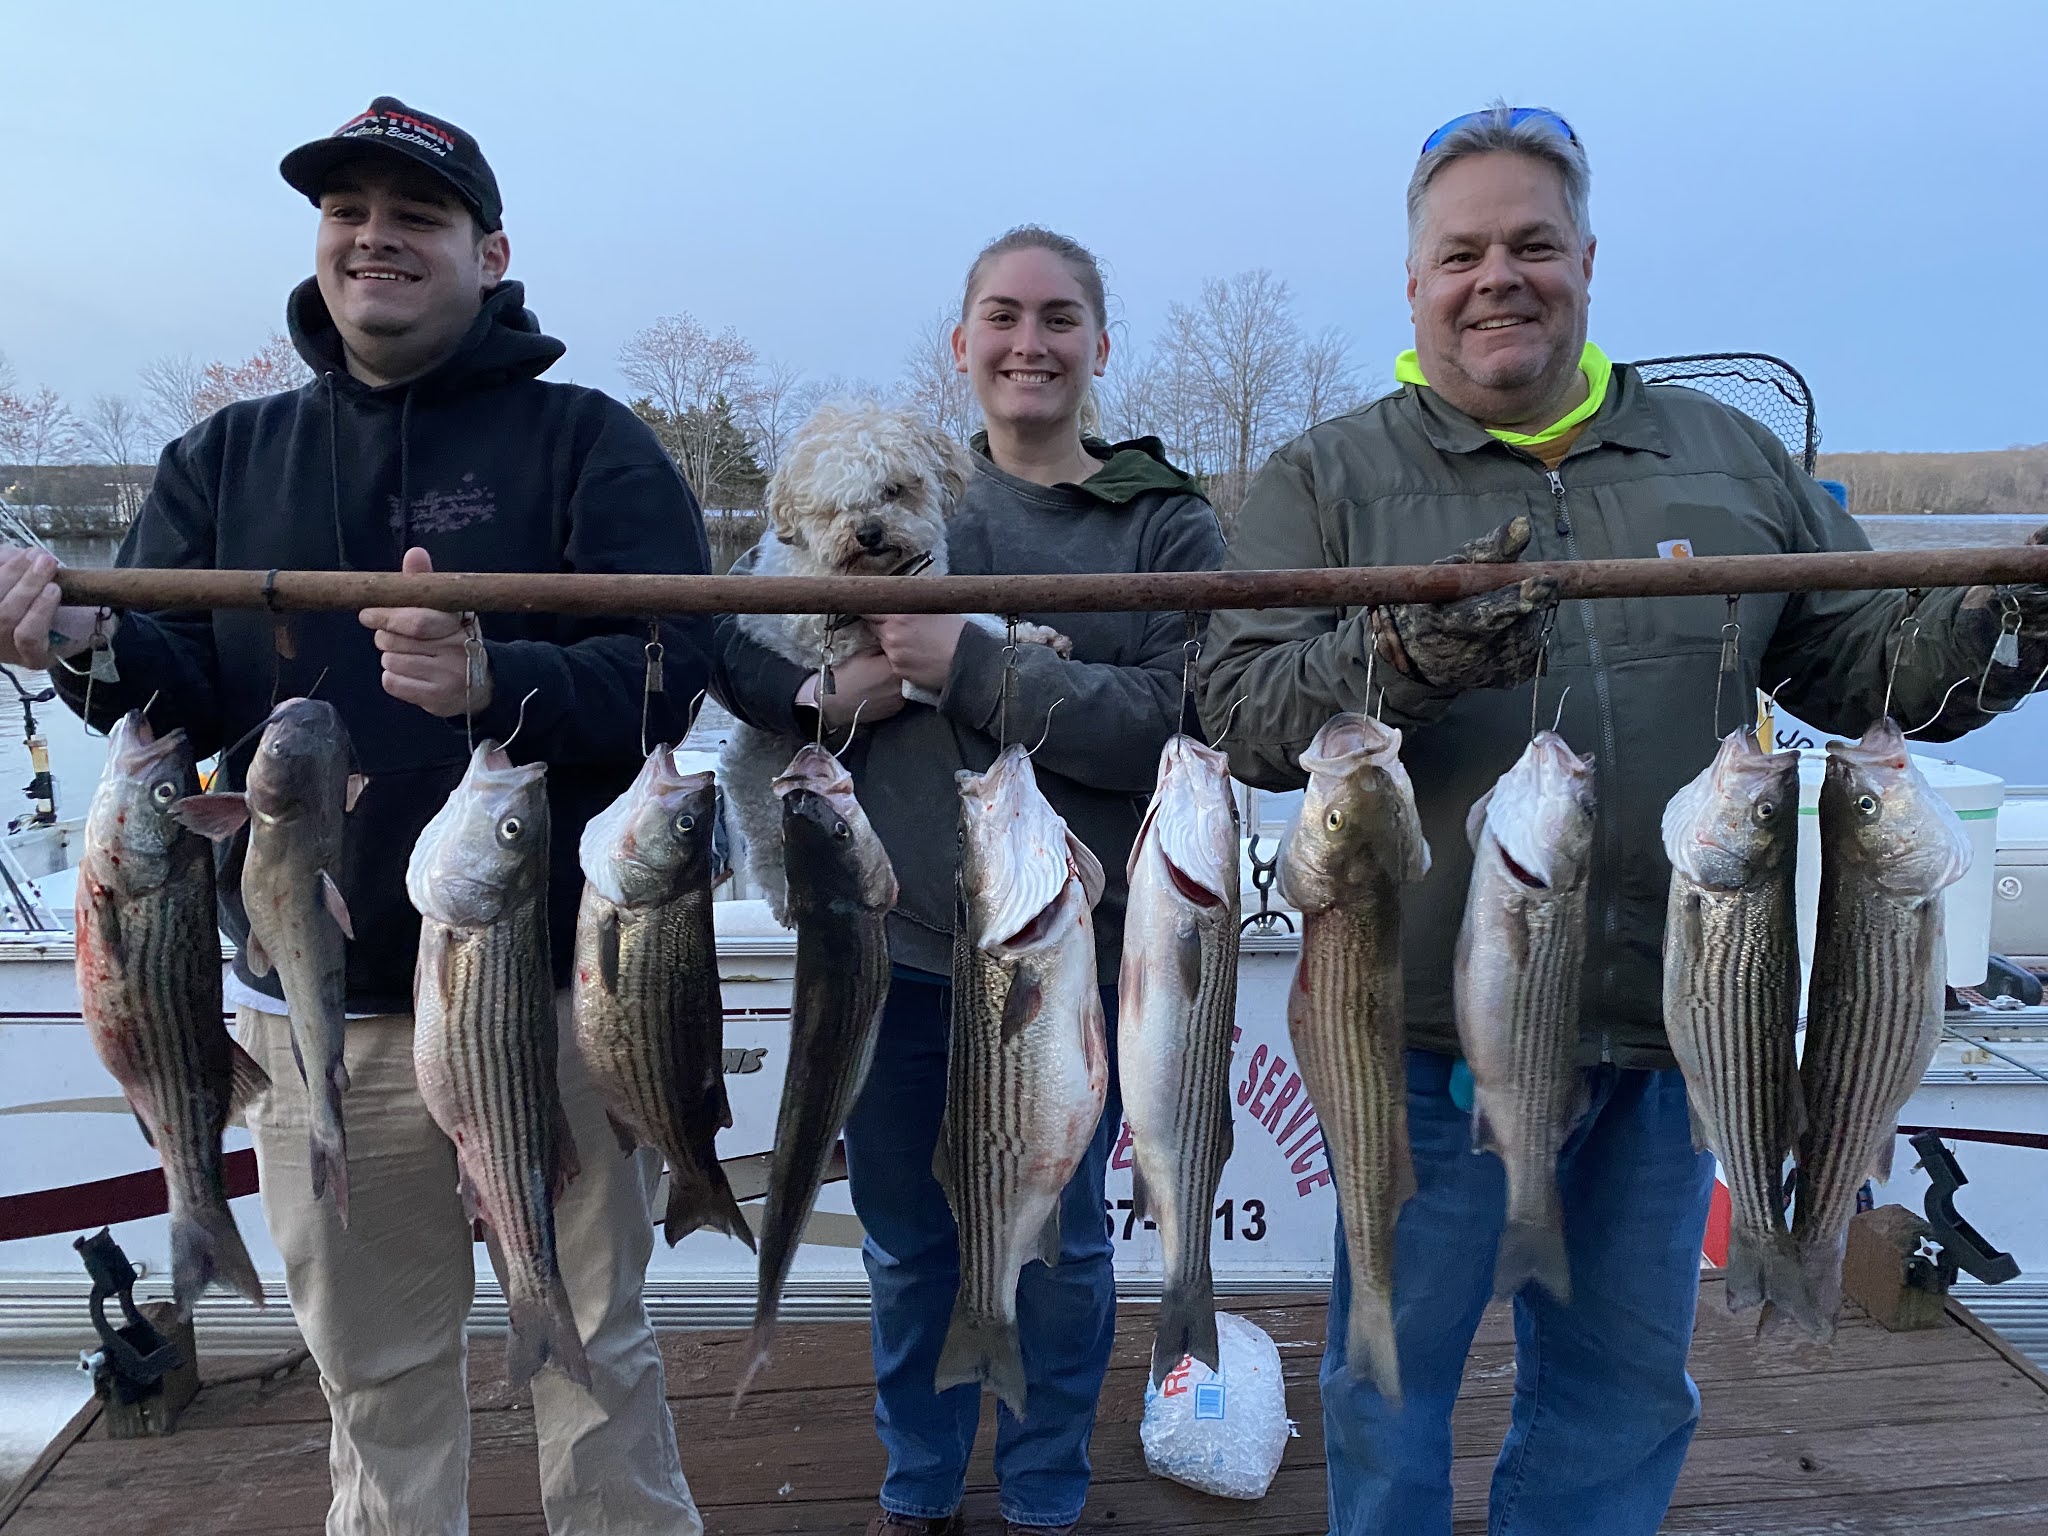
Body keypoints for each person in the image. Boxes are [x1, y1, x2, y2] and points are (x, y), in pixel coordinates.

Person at [1197, 104, 2047, 1536]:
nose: (1498, 278)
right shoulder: (1325, 480)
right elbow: (1238, 709)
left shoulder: (1728, 461)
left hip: (1676, 1022)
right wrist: (1396, 660)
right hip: (1418, 1042)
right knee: (1387, 1375)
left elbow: (1855, 667)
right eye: (1461, 252)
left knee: (1624, 1388)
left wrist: (1995, 621)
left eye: (1532, 244)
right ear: (1414, 283)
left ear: (1587, 260)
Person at [0, 97, 713, 1536]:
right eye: (348, 212)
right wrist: (77, 636)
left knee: (600, 1366)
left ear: (492, 252)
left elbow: (678, 670)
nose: (374, 237)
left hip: (548, 1003)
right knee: (375, 1383)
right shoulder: (223, 458)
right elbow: (170, 692)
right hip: (314, 1015)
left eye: (416, 216)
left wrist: (495, 672)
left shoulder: (593, 445)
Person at [712, 225, 1224, 1536]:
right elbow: (739, 655)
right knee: (907, 1251)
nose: (1029, 343)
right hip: (898, 959)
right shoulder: (899, 501)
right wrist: (838, 690)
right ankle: (919, 1492)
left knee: (1058, 1249)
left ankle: (1047, 1494)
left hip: (1067, 961)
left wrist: (976, 667)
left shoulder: (1163, 518)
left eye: (1059, 318)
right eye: (1001, 317)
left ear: (1099, 344)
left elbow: (1188, 714)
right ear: (962, 346)